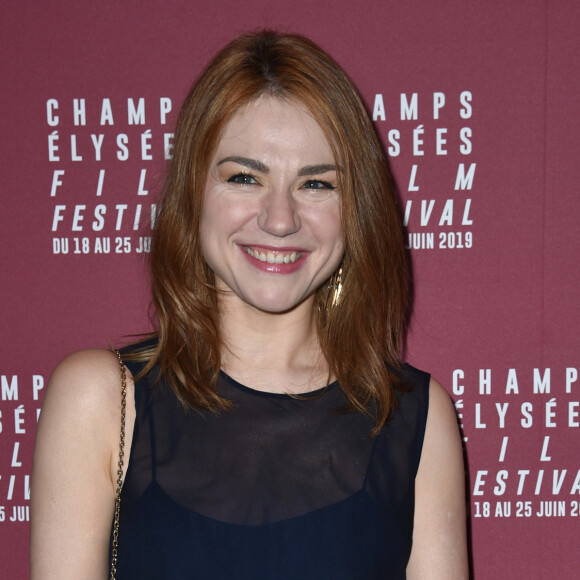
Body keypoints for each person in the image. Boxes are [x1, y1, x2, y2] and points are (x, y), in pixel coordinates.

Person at [30, 30, 468, 579]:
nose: (279, 219)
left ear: (356, 210)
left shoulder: (412, 417)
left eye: (316, 184)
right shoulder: (103, 402)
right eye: (244, 177)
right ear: (193, 194)